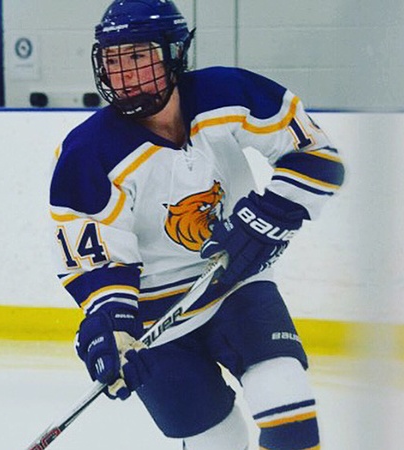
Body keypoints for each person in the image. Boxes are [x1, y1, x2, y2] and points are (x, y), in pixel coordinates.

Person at [48, 1, 344, 448]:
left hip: (235, 282)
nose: (124, 74)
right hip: (155, 317)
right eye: (113, 60)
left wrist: (273, 211)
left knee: (288, 405)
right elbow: (93, 255)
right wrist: (111, 324)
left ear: (173, 54)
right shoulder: (89, 152)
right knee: (218, 441)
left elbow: (318, 154)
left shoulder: (227, 93)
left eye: (137, 56)